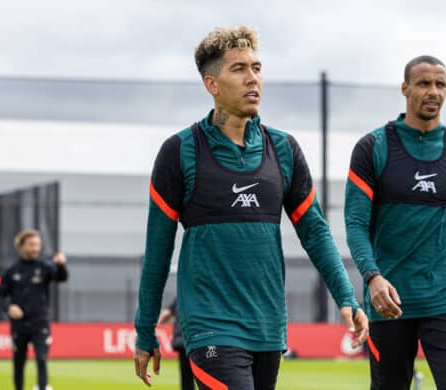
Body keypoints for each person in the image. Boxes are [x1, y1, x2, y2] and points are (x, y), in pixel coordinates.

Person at [133, 26, 368, 389]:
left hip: (267, 325)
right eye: (239, 69)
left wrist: (346, 296)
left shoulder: (284, 149)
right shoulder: (179, 151)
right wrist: (145, 328)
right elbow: (158, 250)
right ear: (212, 84)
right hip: (210, 323)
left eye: (256, 68)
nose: (252, 78)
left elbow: (315, 231)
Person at [344, 55, 446, 390]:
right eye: (424, 83)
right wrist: (372, 278)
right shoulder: (372, 148)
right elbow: (355, 224)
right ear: (405, 88)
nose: (433, 91)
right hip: (389, 302)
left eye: (440, 84)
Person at [0, 229, 68, 390]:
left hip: (40, 323)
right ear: (21, 246)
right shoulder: (12, 271)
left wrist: (61, 265)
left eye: (38, 245)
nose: (35, 248)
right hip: (19, 325)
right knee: (18, 363)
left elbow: (61, 277)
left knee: (41, 359)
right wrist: (9, 307)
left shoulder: (44, 268)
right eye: (31, 244)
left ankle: (42, 388)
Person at [158, 298, 195, 390]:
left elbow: (164, 315)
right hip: (197, 339)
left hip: (181, 341)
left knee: (186, 378)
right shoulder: (200, 295)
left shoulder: (179, 298)